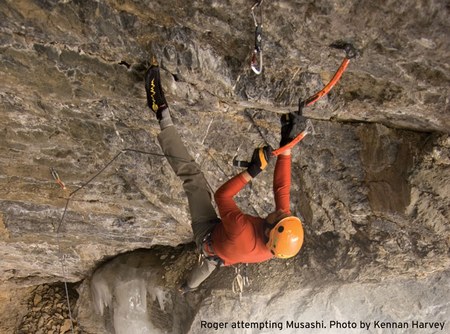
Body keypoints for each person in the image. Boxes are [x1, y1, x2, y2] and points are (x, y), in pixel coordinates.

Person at [145, 59, 304, 294]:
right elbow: (282, 189)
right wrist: (287, 146)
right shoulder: (277, 241)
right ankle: (187, 287)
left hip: (208, 234)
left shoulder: (242, 231)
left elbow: (222, 196)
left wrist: (251, 172)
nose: (283, 212)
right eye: (285, 215)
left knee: (193, 179)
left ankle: (161, 114)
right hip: (223, 252)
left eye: (280, 217)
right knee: (211, 263)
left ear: (271, 232)